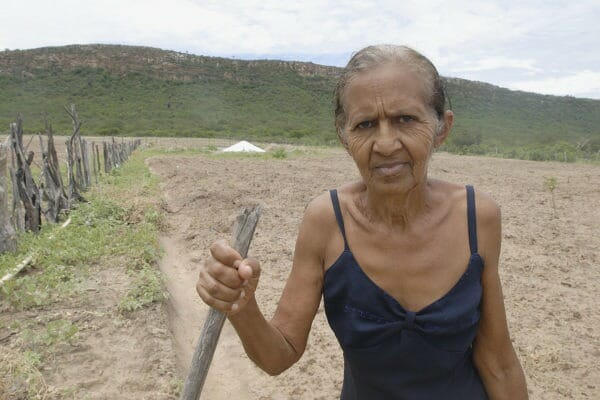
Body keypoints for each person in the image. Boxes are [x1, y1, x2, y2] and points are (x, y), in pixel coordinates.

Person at [196, 44, 528, 399]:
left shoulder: (478, 218)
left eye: (405, 119)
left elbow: (499, 361)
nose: (385, 144)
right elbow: (280, 354)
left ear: (441, 128)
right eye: (366, 124)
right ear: (344, 136)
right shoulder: (327, 223)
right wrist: (240, 306)